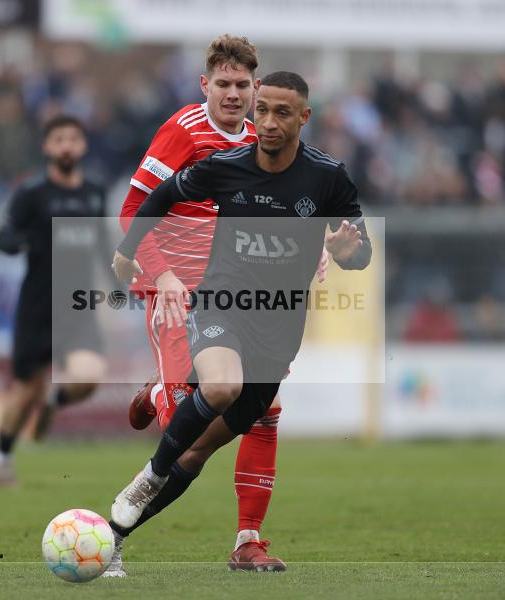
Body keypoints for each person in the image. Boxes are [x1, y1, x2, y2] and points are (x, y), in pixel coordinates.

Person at [109, 72, 371, 569]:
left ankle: (114, 532)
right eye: (263, 110)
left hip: (279, 331)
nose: (269, 123)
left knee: (197, 451)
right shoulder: (225, 165)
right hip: (221, 303)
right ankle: (154, 476)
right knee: (223, 387)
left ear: (304, 118)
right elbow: (158, 198)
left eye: (282, 113)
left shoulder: (329, 178)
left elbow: (363, 252)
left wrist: (345, 253)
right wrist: (128, 254)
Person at [0, 115, 109, 485]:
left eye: (73, 138)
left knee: (89, 378)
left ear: (83, 145)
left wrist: (122, 282)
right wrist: (15, 241)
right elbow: (5, 234)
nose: (67, 145)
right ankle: (2, 456)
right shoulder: (31, 193)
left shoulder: (94, 192)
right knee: (24, 389)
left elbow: (103, 246)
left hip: (78, 305)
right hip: (38, 307)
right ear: (47, 147)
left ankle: (52, 403)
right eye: (59, 139)